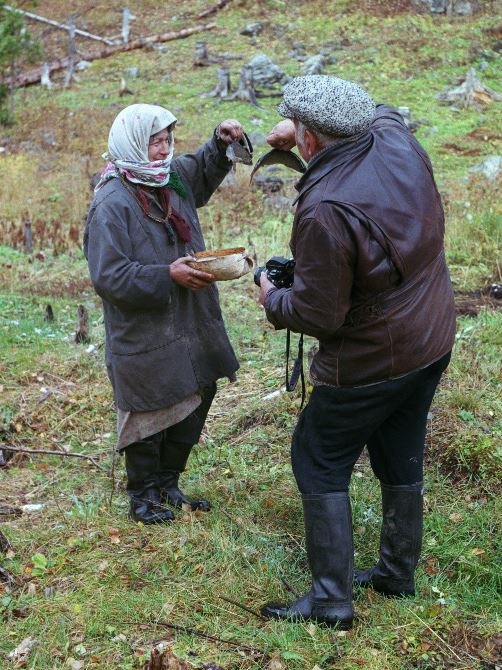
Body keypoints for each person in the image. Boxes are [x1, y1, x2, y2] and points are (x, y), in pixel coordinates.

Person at [257, 75, 456, 629]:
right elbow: (379, 107)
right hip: (432, 333)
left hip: (375, 357)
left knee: (317, 458)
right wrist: (294, 125)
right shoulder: (391, 134)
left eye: (299, 133)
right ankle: (395, 573)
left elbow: (318, 315)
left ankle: (330, 604)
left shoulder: (322, 211)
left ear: (312, 140)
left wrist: (273, 297)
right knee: (400, 444)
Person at [84, 103, 245, 524]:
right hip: (145, 327)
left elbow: (199, 170)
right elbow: (110, 276)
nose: (163, 149)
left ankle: (168, 485)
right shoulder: (112, 203)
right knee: (152, 406)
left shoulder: (169, 179)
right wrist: (166, 275)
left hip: (190, 318)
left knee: (198, 391)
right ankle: (142, 496)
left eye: (167, 140)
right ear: (133, 141)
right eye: (155, 141)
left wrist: (220, 142)